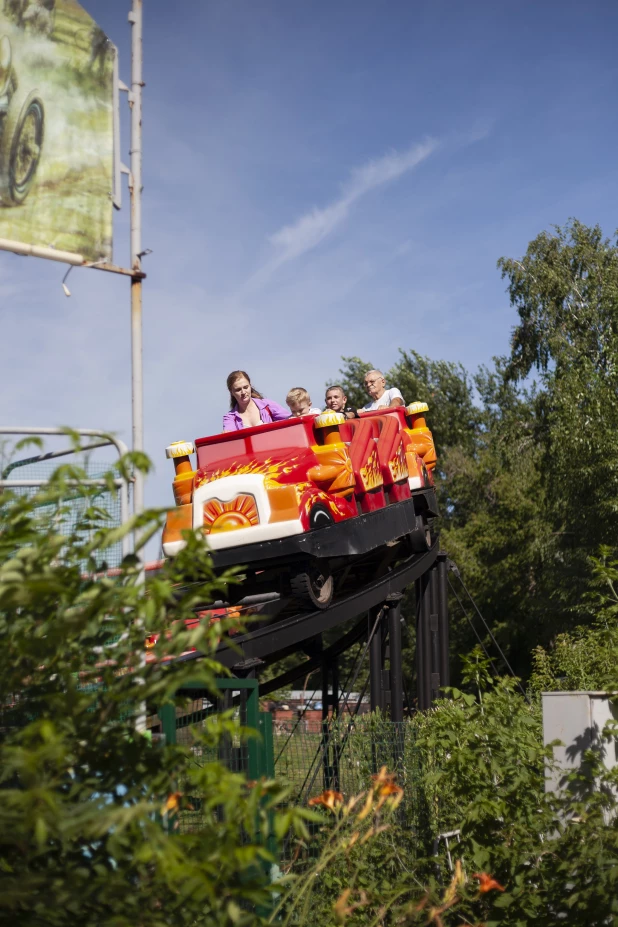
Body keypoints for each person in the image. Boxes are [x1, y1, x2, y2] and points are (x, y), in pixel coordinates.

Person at [222, 370, 291, 432]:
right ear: (231, 392)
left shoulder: (268, 405)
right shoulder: (230, 418)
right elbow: (229, 435)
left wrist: (270, 426)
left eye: (246, 387)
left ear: (250, 386)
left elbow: (291, 420)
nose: (243, 392)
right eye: (238, 390)